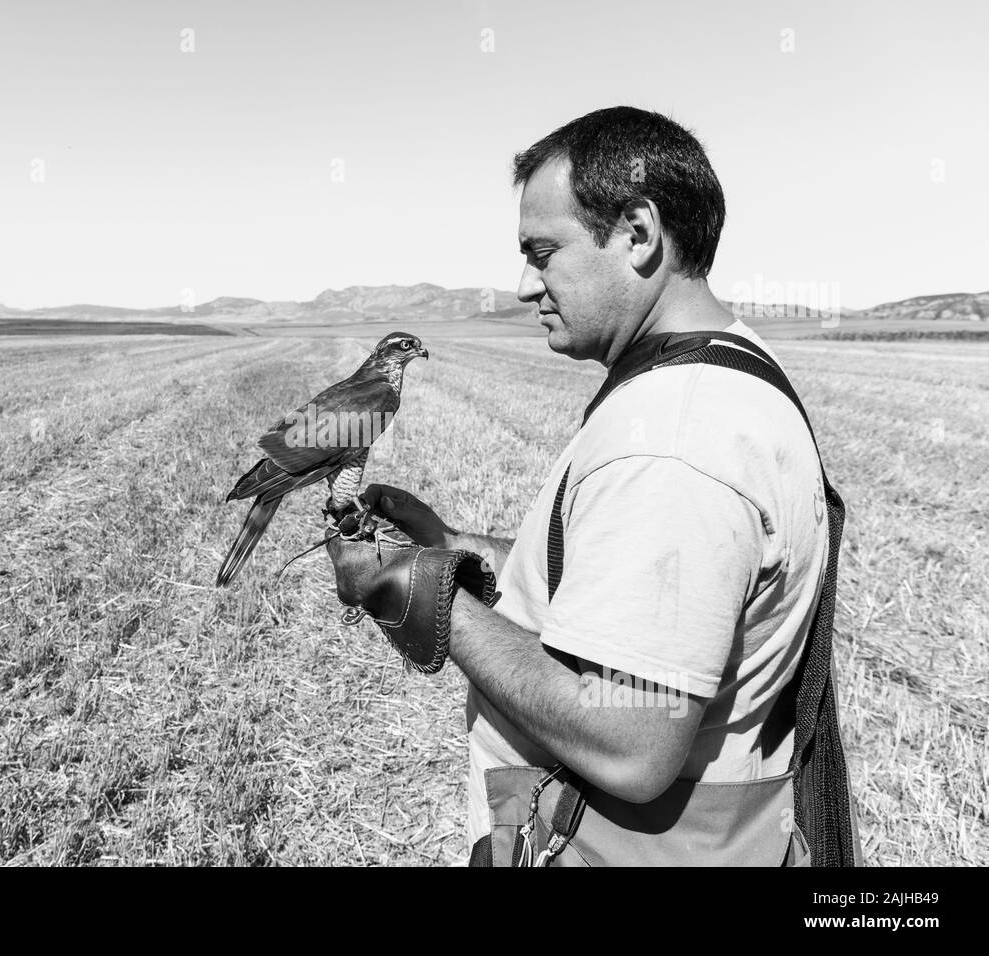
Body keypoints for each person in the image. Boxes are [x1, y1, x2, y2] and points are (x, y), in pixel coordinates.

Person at [327, 106, 857, 865]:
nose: (522, 285)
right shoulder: (731, 368)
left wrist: (427, 595)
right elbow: (641, 583)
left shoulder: (674, 438)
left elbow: (631, 742)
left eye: (543, 252)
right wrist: (456, 546)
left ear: (638, 232)